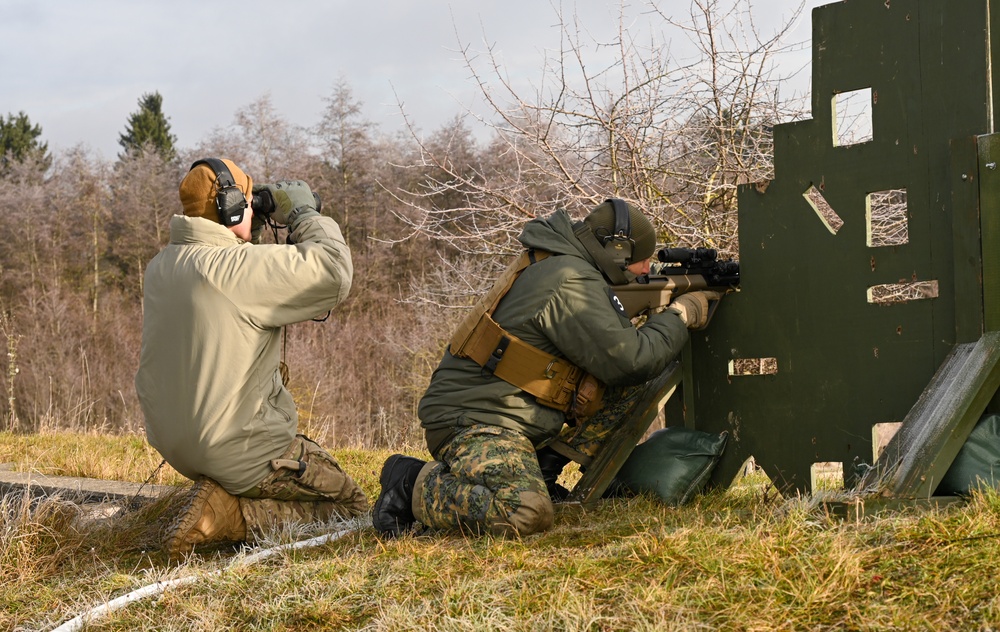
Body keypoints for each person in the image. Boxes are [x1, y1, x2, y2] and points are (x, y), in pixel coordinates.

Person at [372, 199, 722, 537]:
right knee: (525, 512)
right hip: (476, 420)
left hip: (507, 414)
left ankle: (544, 469)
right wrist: (679, 316)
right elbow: (631, 360)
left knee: (629, 385)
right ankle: (411, 481)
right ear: (616, 252)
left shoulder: (560, 262)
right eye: (642, 261)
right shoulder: (569, 280)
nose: (647, 269)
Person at [135, 158, 367, 559]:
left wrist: (247, 233)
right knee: (351, 506)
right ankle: (230, 515)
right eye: (247, 200)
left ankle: (220, 490)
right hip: (238, 449)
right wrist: (303, 212)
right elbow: (333, 272)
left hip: (176, 446)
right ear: (231, 208)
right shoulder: (237, 271)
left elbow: (230, 284)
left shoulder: (162, 266)